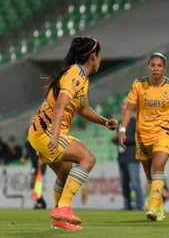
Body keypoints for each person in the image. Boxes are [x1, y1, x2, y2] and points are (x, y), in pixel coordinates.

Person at [27, 36, 118, 230]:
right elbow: (60, 106)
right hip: (47, 132)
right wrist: (55, 135)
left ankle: (58, 218)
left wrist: (104, 122)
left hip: (39, 133)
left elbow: (83, 109)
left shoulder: (81, 77)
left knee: (65, 172)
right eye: (100, 55)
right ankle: (63, 209)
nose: (100, 59)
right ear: (94, 56)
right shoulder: (74, 75)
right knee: (88, 158)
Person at [119, 52, 169, 221]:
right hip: (142, 134)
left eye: (159, 65)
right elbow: (129, 109)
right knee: (149, 175)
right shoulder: (138, 84)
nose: (155, 68)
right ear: (148, 67)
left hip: (165, 131)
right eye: (152, 65)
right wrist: (122, 130)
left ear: (164, 68)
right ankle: (159, 207)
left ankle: (153, 207)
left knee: (157, 167)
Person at [111, 103, 144, 211]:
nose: (122, 111)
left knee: (135, 182)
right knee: (124, 184)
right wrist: (116, 139)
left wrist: (121, 137)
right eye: (121, 109)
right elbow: (119, 141)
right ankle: (127, 206)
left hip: (132, 156)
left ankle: (140, 205)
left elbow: (138, 139)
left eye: (125, 109)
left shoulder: (134, 122)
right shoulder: (120, 123)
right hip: (121, 156)